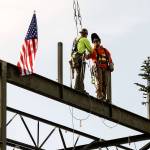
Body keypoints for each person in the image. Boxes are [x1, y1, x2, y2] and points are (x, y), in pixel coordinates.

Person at [87, 33, 114, 101]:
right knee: (100, 82)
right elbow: (87, 57)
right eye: (94, 42)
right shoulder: (93, 50)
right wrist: (86, 54)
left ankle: (104, 97)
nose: (96, 42)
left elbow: (110, 59)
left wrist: (111, 65)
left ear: (99, 41)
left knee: (105, 83)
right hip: (98, 67)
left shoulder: (105, 50)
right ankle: (99, 96)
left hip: (105, 68)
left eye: (97, 41)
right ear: (93, 43)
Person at [70, 28, 92, 92]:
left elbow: (76, 49)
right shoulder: (85, 39)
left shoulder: (77, 39)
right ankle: (80, 89)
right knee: (81, 74)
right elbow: (91, 50)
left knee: (78, 73)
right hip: (79, 57)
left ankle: (76, 87)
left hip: (74, 58)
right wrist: (88, 55)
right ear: (86, 34)